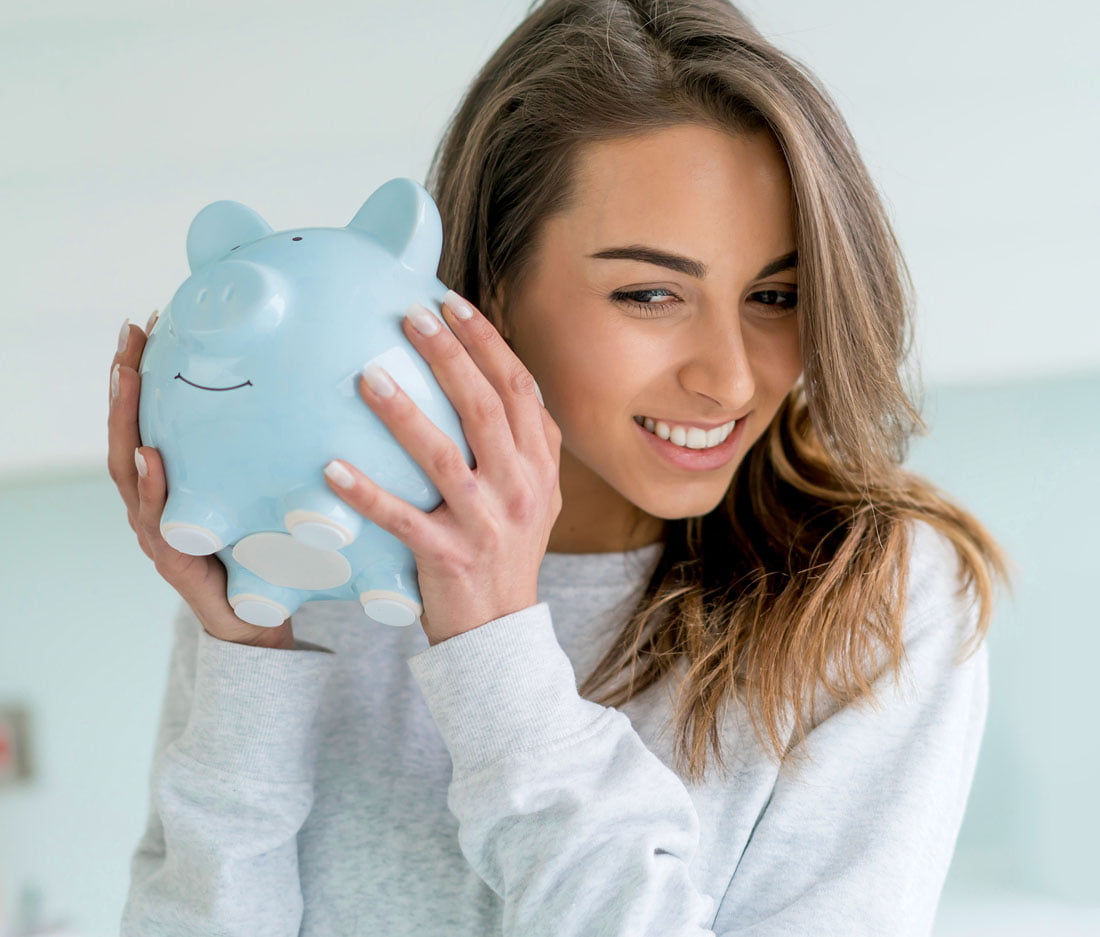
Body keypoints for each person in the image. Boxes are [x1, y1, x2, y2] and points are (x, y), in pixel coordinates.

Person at [108, 1, 1012, 934]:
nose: (732, 376)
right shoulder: (312, 549)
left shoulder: (877, 598)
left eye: (774, 294)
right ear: (490, 284)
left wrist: (495, 652)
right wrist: (249, 661)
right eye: (652, 294)